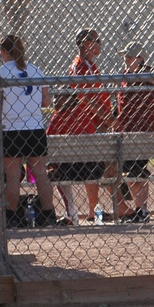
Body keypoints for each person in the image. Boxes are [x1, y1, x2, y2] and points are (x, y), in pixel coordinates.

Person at [0, 34, 57, 228]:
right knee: (40, 172)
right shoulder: (36, 70)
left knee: (12, 175)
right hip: (35, 127)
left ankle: (12, 216)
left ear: (4, 52)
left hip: (12, 128)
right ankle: (48, 213)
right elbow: (46, 102)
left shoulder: (0, 73)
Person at [68, 28, 114, 220]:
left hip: (98, 121)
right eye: (97, 41)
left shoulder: (90, 65)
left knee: (107, 164)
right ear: (87, 43)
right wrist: (108, 118)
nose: (100, 44)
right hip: (92, 123)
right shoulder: (81, 66)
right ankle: (96, 209)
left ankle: (101, 208)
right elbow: (86, 99)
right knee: (101, 164)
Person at [113, 41, 154, 223]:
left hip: (143, 131)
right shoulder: (125, 75)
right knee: (130, 171)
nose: (126, 59)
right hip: (126, 130)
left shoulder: (147, 73)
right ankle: (141, 210)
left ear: (140, 59)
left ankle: (142, 210)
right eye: (126, 56)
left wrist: (142, 72)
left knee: (135, 171)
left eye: (130, 56)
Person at [46, 92, 105, 225]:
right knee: (58, 167)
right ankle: (93, 213)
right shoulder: (84, 114)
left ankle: (71, 214)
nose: (55, 100)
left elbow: (47, 143)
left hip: (70, 170)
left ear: (70, 101)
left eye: (59, 97)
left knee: (54, 171)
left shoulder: (58, 117)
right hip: (94, 169)